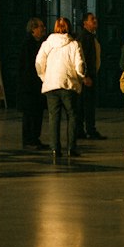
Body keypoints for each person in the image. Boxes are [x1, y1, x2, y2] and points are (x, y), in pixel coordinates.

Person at [35, 16, 86, 164]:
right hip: (68, 84)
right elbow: (80, 65)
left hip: (51, 85)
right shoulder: (74, 44)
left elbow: (39, 63)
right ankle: (71, 147)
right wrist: (79, 78)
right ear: (69, 27)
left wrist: (45, 77)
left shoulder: (46, 44)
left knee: (53, 117)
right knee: (72, 116)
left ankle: (55, 148)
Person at [17, 18, 48, 149]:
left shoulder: (41, 43)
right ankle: (28, 139)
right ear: (33, 29)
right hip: (29, 86)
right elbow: (27, 66)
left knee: (38, 113)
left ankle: (35, 138)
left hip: (38, 84)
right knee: (29, 114)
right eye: (40, 27)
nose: (43, 29)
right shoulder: (27, 44)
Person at [75, 12, 104, 140]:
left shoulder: (90, 37)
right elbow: (82, 57)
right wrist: (85, 76)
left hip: (89, 75)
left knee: (85, 104)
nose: (95, 21)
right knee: (87, 105)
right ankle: (89, 130)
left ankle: (81, 130)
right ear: (85, 23)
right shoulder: (85, 38)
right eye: (92, 19)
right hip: (87, 77)